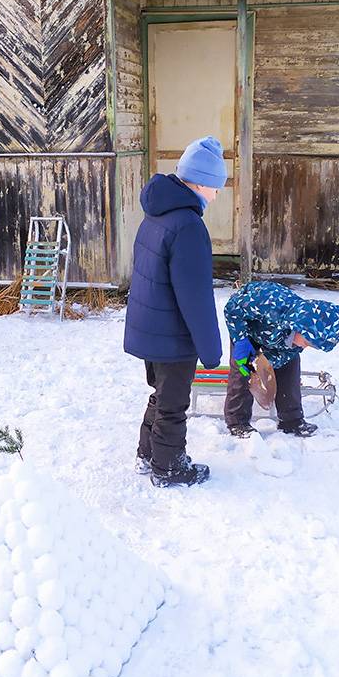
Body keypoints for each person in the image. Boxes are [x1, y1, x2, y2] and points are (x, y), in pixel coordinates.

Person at [123, 136, 226, 487]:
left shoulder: (157, 215)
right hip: (173, 335)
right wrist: (211, 351)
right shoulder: (188, 227)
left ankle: (147, 453)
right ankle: (169, 467)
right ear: (199, 182)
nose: (217, 194)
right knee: (173, 403)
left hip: (152, 329)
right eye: (215, 186)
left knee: (162, 395)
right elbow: (195, 297)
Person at [223, 281, 339, 438]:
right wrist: (240, 340)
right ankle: (237, 421)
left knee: (290, 366)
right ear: (301, 327)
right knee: (243, 370)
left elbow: (285, 356)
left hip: (278, 338)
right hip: (246, 329)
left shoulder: (302, 334)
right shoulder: (270, 303)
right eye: (308, 342)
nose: (306, 346)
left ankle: (291, 420)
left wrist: (267, 364)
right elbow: (232, 310)